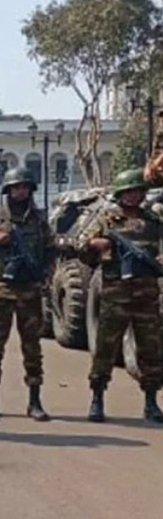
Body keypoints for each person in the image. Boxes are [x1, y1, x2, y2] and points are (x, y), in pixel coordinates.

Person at [77, 168, 163, 423]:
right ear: (120, 194)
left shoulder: (153, 222)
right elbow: (81, 246)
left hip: (147, 296)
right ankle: (97, 399)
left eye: (137, 191)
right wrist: (95, 244)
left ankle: (150, 401)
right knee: (105, 349)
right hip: (116, 295)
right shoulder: (106, 220)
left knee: (151, 350)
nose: (132, 196)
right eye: (128, 192)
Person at [0, 168, 54, 421]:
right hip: (1, 292)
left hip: (29, 292)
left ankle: (34, 400)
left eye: (25, 187)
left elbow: (50, 251)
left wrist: (46, 277)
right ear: (8, 190)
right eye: (16, 187)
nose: (21, 191)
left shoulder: (39, 219)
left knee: (32, 347)